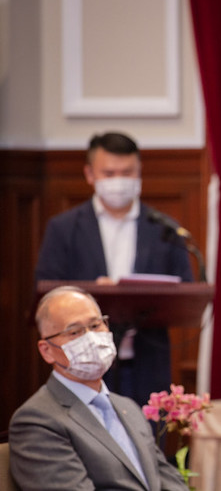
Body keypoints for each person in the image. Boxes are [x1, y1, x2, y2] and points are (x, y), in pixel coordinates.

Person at [34, 131, 194, 407]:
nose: (118, 181)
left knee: (147, 433)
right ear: (90, 174)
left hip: (148, 363)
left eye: (127, 172)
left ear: (139, 173)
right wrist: (93, 295)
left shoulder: (165, 229)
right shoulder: (63, 229)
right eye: (109, 173)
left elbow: (186, 292)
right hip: (81, 364)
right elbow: (45, 294)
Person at [9, 286, 187, 491]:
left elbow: (165, 477)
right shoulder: (37, 420)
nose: (91, 338)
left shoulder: (127, 407)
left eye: (95, 325)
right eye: (74, 332)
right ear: (47, 350)